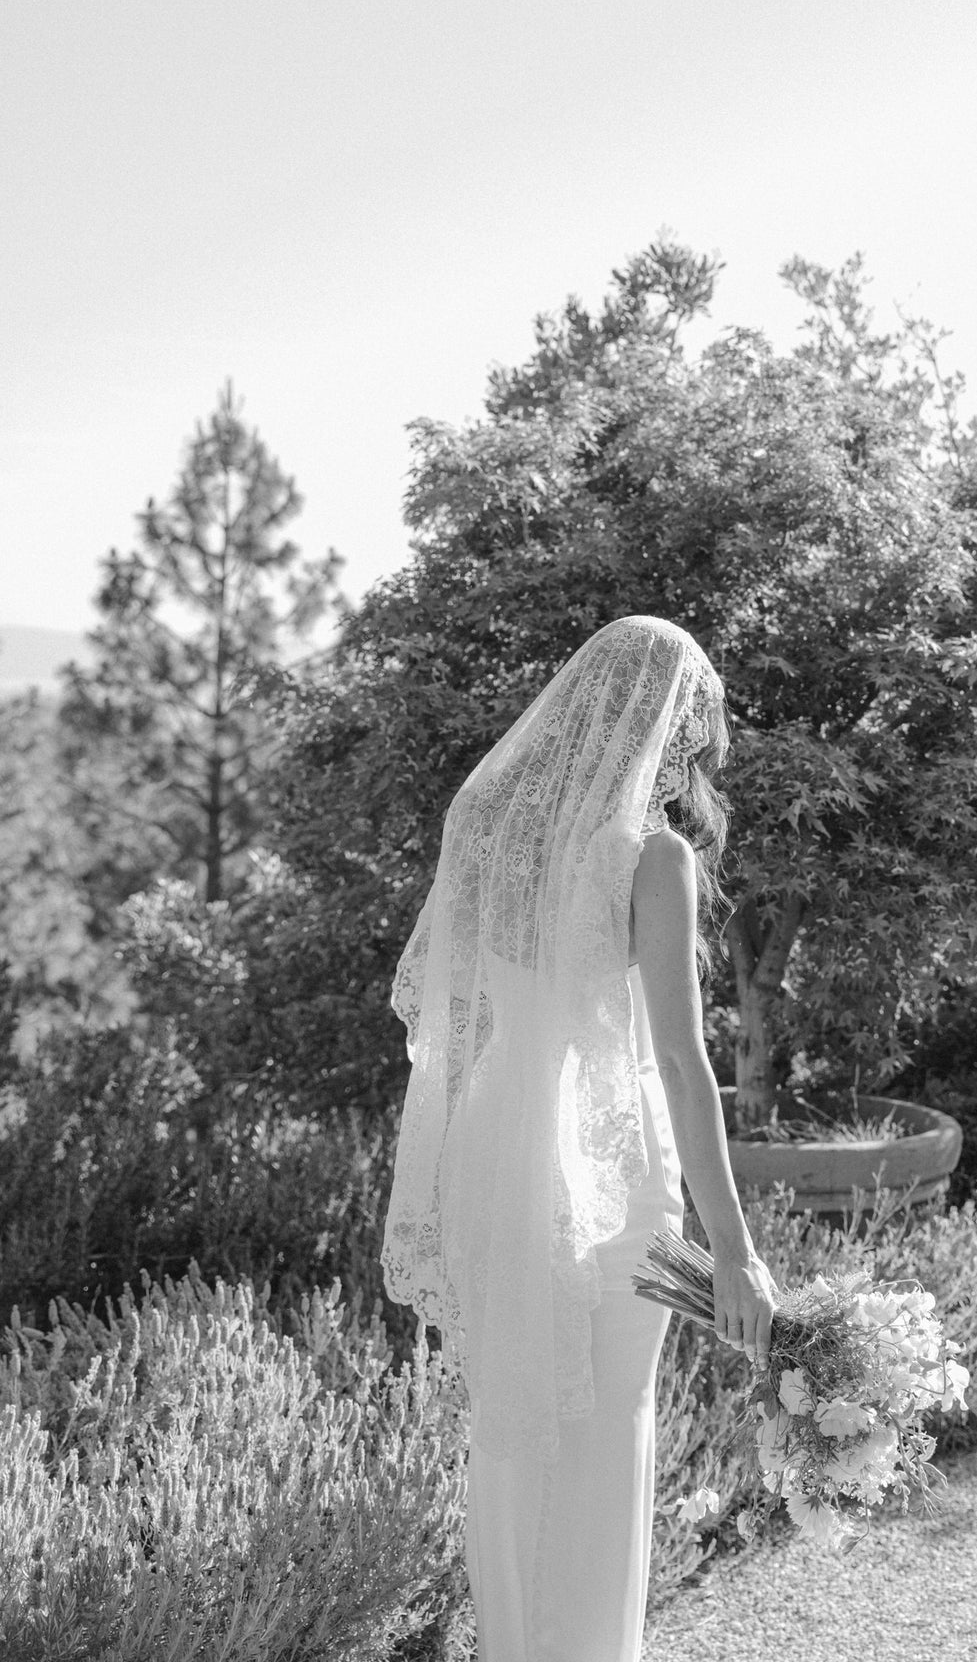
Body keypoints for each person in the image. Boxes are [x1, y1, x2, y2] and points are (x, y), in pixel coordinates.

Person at [382, 614, 777, 1662]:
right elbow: (681, 1064)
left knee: (510, 1436)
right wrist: (733, 1250)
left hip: (498, 1149)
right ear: (664, 719)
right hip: (612, 1161)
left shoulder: (487, 830)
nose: (703, 743)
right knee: (606, 1434)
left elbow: (454, 1026)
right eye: (698, 718)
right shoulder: (651, 858)